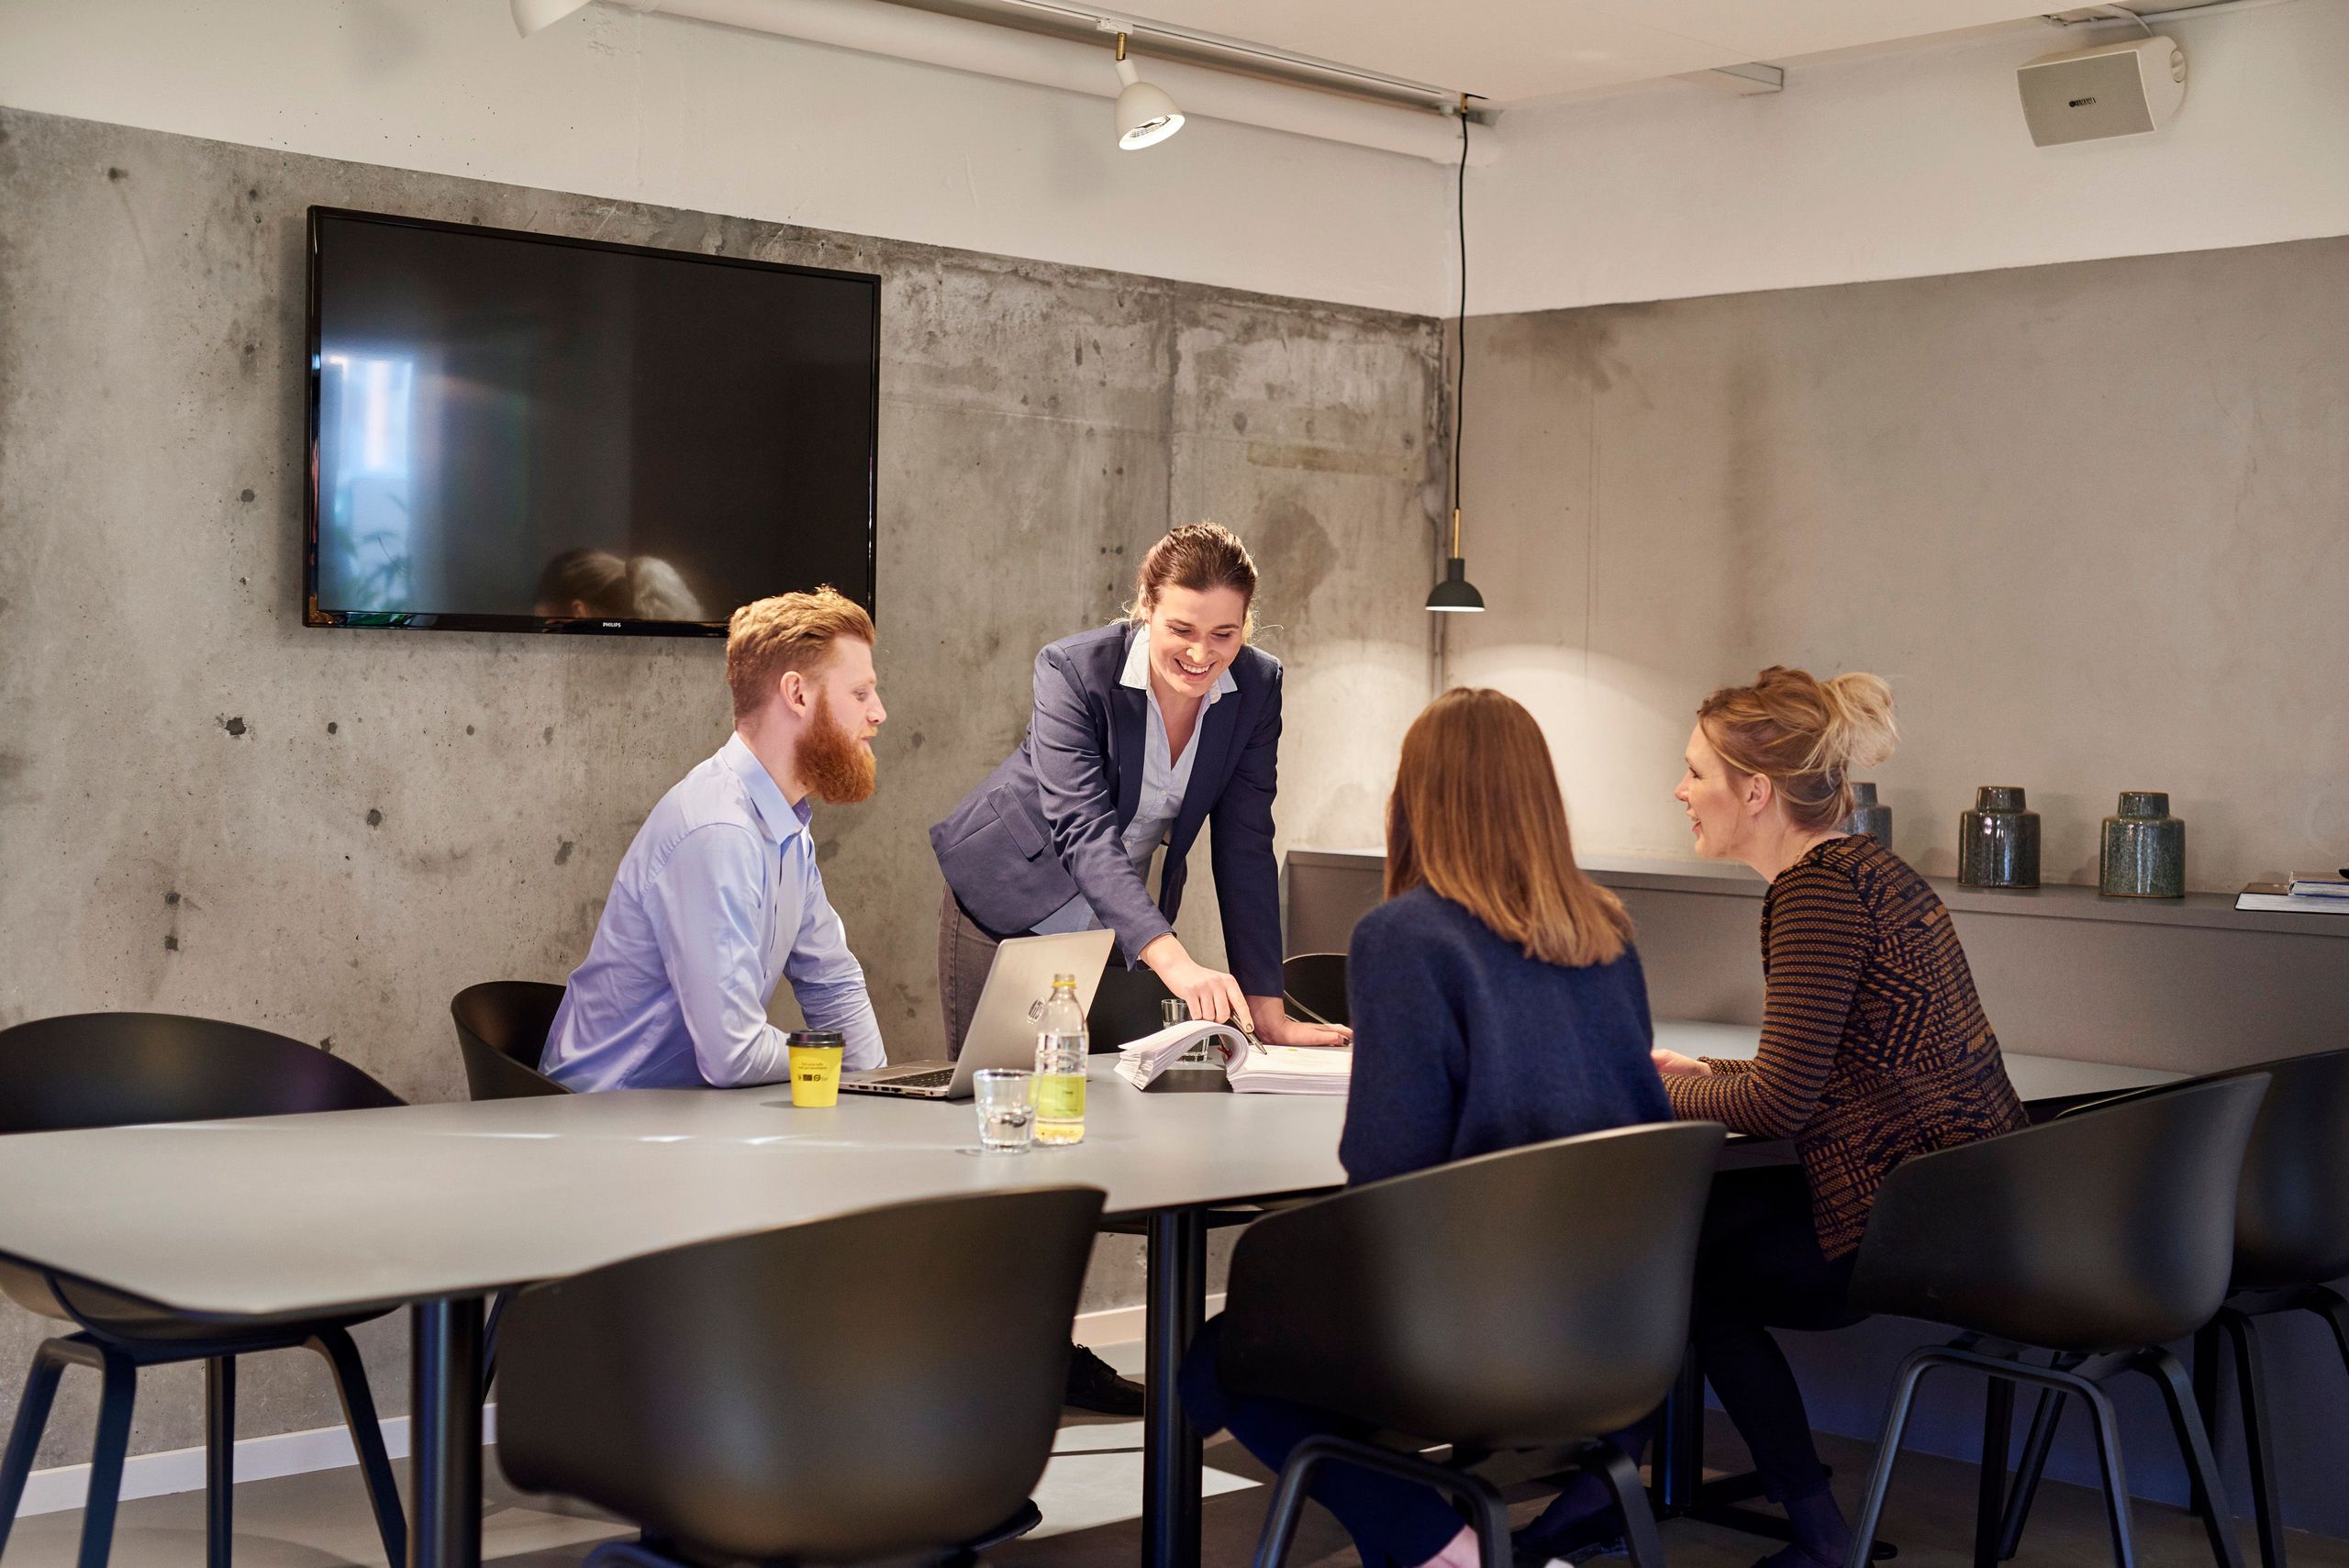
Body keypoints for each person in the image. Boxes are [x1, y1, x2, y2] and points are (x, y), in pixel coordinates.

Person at [1179, 688, 1671, 1568]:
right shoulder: (1608, 932)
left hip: (1469, 1327)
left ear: (1416, 799)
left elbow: (1385, 1173)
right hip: (1613, 1325)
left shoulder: (1405, 936)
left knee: (1220, 1359)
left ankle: (1444, 1548)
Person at [1656, 666, 2028, 1568]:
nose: (1681, 789)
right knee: (1686, 1240)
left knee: (1680, 1276)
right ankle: (1617, 1488)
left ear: (1756, 790)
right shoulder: (1870, 870)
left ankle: (1819, 1535)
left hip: (1911, 1227)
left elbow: (1780, 1103)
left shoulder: (1815, 892)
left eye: (1695, 770)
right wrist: (1708, 1070)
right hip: (1974, 1201)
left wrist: (1651, 1087)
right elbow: (1824, 1071)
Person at [930, 522, 1351, 1052]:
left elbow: (1245, 843)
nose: (1201, 654)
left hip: (1116, 919)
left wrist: (1268, 1009)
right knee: (994, 1086)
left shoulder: (1257, 686)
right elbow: (1083, 828)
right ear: (1146, 606)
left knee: (1094, 1097)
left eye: (1224, 634)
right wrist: (1175, 960)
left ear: (1246, 623)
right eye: (1181, 630)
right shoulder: (1074, 670)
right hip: (1008, 892)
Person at [540, 587, 887, 1091]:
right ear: (797, 694)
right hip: (607, 1120)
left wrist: (879, 1088)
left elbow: (831, 978)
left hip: (685, 1113)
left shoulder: (785, 823)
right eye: (860, 693)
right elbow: (735, 1055)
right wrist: (837, 1067)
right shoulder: (718, 831)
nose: (878, 713)